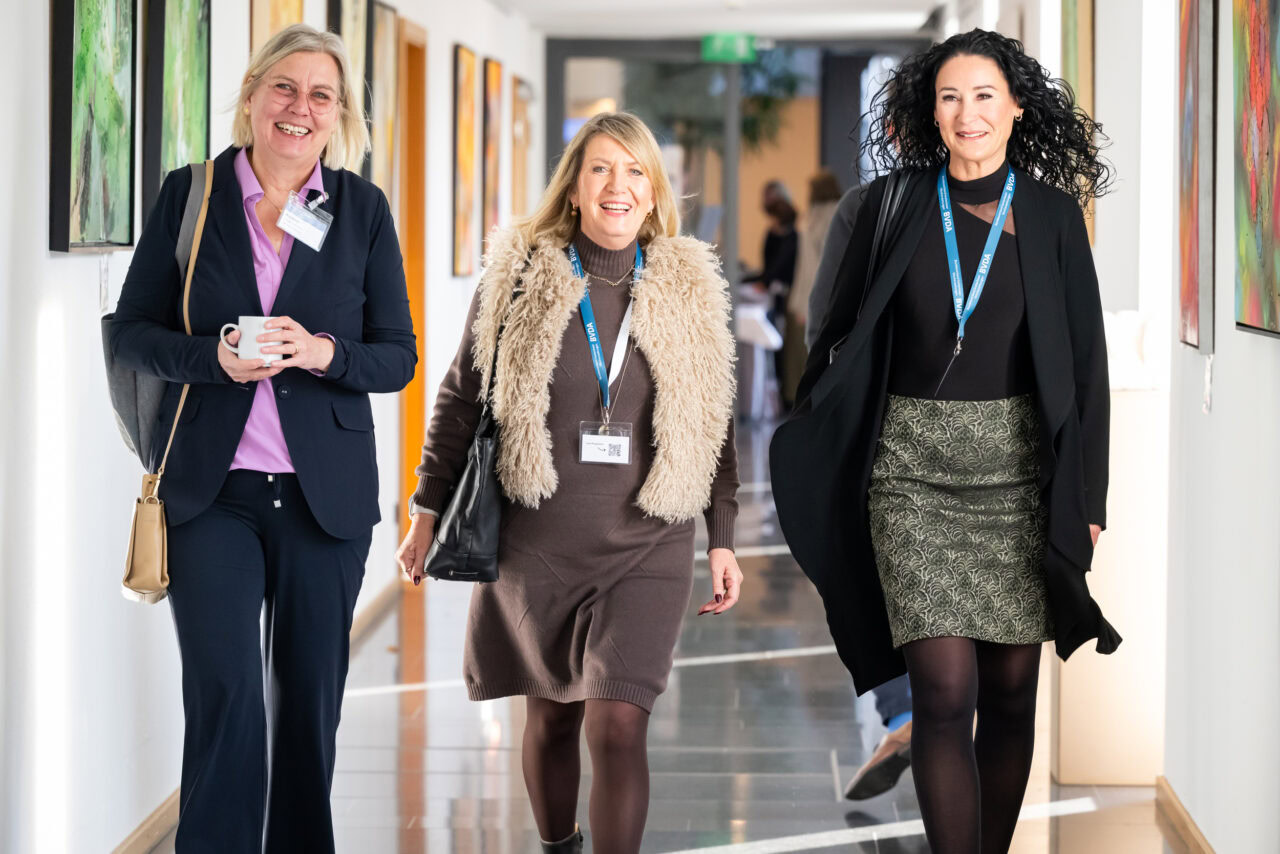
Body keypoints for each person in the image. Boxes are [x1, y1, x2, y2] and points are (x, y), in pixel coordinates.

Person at [770, 29, 1120, 854]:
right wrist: (827, 431)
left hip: (1020, 478)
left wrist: (1089, 497)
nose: (968, 114)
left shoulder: (1051, 216)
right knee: (943, 692)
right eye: (951, 97)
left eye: (985, 96)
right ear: (931, 112)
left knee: (1010, 695)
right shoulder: (886, 207)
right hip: (910, 479)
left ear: (1017, 107)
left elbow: (1087, 366)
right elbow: (832, 336)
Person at [396, 112, 741, 854]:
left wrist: (723, 536)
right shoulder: (522, 277)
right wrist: (426, 508)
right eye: (601, 169)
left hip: (647, 541)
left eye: (635, 171)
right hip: (537, 541)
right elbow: (461, 396)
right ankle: (561, 846)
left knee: (618, 724)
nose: (619, 185)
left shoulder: (688, 289)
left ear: (654, 192)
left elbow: (715, 418)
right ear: (575, 188)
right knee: (552, 718)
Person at [109, 24, 415, 852]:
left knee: (309, 708)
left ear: (338, 114)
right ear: (250, 96)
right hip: (212, 496)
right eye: (284, 87)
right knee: (228, 698)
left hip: (325, 501)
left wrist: (323, 353)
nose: (299, 108)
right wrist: (210, 358)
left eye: (321, 95)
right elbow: (131, 333)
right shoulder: (191, 195)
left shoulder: (360, 210)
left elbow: (398, 356)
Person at [783, 170, 842, 406]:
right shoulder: (844, 211)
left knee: (805, 357)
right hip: (835, 298)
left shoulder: (815, 219)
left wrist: (803, 304)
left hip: (813, 298)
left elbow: (810, 267)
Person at [749, 180, 798, 409]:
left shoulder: (792, 236)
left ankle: (785, 394)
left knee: (782, 344)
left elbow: (779, 267)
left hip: (784, 296)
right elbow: (768, 266)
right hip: (773, 294)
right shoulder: (772, 232)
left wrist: (765, 281)